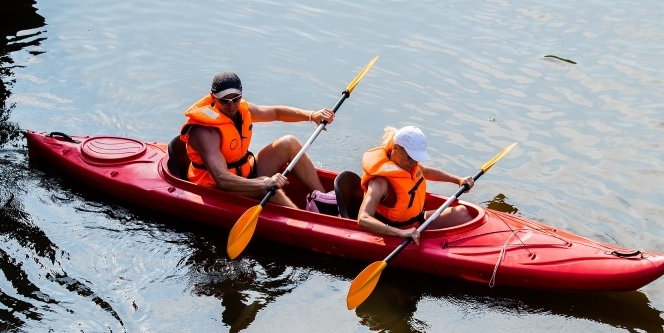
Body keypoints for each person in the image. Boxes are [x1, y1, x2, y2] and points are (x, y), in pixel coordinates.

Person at [180, 71, 335, 208]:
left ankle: (324, 201)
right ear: (214, 97)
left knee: (290, 143)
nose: (231, 105)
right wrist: (264, 183)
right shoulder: (205, 132)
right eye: (225, 100)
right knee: (268, 187)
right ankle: (305, 222)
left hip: (244, 171)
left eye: (236, 99)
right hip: (219, 189)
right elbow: (222, 179)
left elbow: (276, 113)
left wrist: (311, 115)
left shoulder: (241, 110)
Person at [358, 126, 475, 244]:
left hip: (418, 221)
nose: (414, 164)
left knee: (463, 213)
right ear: (395, 148)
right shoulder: (380, 182)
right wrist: (400, 233)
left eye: (416, 159)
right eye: (410, 157)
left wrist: (458, 180)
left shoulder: (408, 165)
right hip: (398, 233)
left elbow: (427, 172)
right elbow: (363, 218)